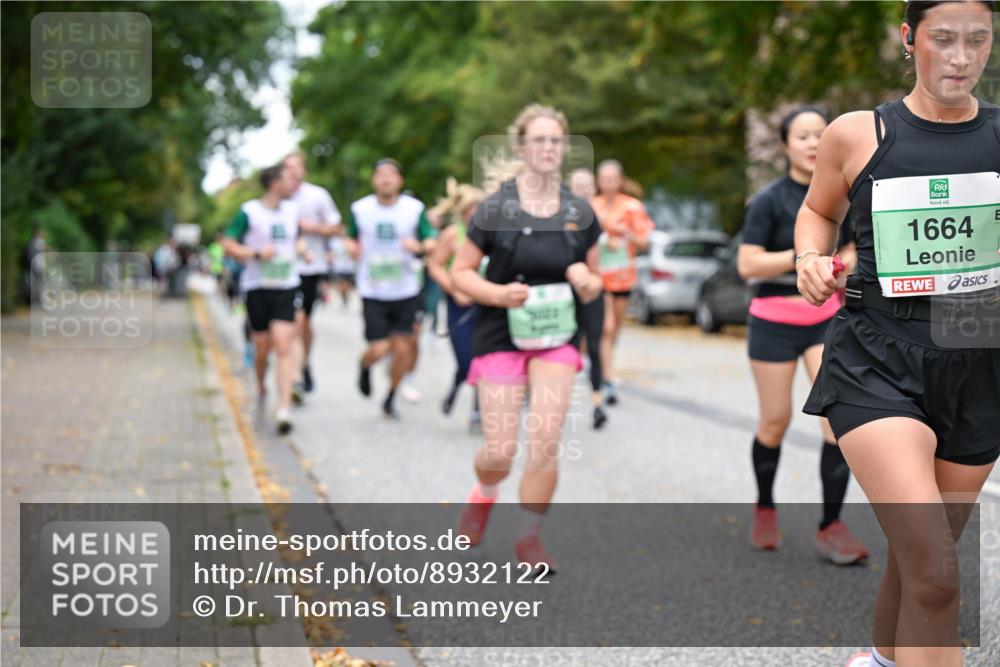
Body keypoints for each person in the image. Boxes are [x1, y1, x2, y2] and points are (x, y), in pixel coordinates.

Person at [795, 2, 998, 665]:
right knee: (938, 574)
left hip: (979, 364)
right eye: (944, 40)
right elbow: (817, 212)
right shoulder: (859, 134)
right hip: (877, 360)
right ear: (909, 39)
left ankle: (881, 660)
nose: (961, 57)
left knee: (921, 563)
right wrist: (807, 260)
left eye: (977, 40)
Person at [452, 104, 603, 570]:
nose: (547, 148)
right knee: (499, 451)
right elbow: (460, 274)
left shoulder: (579, 211)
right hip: (501, 332)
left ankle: (528, 539)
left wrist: (584, 279)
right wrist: (498, 294)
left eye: (555, 141)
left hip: (557, 336)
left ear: (565, 148)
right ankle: (485, 492)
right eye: (538, 140)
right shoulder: (494, 208)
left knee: (544, 440)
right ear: (522, 148)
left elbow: (598, 281)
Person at [738, 106, 867, 564]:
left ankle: (830, 525)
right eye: (803, 136)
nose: (813, 143)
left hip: (824, 320)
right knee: (774, 421)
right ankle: (765, 507)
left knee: (838, 424)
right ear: (785, 145)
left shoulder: (844, 196)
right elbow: (747, 264)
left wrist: (844, 262)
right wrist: (802, 256)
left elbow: (853, 250)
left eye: (820, 135)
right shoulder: (769, 200)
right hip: (773, 321)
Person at [222, 163, 311, 434]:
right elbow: (228, 244)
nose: (294, 183)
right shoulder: (249, 212)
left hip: (286, 285)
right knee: (263, 348)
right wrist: (256, 254)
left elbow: (297, 239)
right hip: (257, 286)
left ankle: (283, 410)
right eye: (288, 179)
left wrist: (302, 250)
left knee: (283, 346)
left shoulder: (294, 211)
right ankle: (261, 385)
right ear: (274, 183)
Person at [346, 158, 436, 420]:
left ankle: (390, 397)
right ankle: (364, 365)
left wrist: (420, 247)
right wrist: (351, 247)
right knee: (380, 348)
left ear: (400, 180)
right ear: (374, 180)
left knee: (403, 349)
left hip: (406, 289)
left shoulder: (413, 209)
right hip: (373, 290)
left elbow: (430, 240)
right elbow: (350, 237)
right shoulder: (361, 209)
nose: (386, 179)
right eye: (380, 174)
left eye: (391, 174)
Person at [590, 159, 655, 407]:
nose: (607, 184)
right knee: (605, 327)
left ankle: (606, 363)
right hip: (600, 276)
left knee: (614, 329)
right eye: (603, 179)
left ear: (619, 180)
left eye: (611, 179)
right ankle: (607, 377)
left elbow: (645, 242)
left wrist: (626, 235)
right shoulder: (591, 207)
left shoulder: (632, 207)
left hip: (623, 275)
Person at [425, 178, 486, 431]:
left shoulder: (490, 233)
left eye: (479, 207)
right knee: (466, 360)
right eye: (471, 208)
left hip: (487, 305)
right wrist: (455, 289)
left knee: (485, 358)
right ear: (462, 211)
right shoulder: (452, 235)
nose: (475, 213)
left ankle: (477, 410)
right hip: (459, 305)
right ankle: (456, 384)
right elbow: (434, 266)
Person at [283, 151, 343, 394]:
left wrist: (311, 228)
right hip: (285, 268)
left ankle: (304, 364)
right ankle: (295, 374)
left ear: (304, 170)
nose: (293, 171)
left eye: (297, 166)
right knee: (294, 321)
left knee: (305, 322)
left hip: (311, 267)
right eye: (287, 167)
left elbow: (336, 227)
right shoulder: (279, 197)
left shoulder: (317, 195)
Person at [568, 168, 608, 429]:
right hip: (564, 291)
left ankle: (597, 403)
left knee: (594, 344)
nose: (583, 191)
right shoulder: (558, 215)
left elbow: (598, 264)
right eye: (578, 186)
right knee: (568, 345)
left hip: (591, 289)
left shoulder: (596, 219)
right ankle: (558, 398)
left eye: (587, 186)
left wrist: (592, 282)